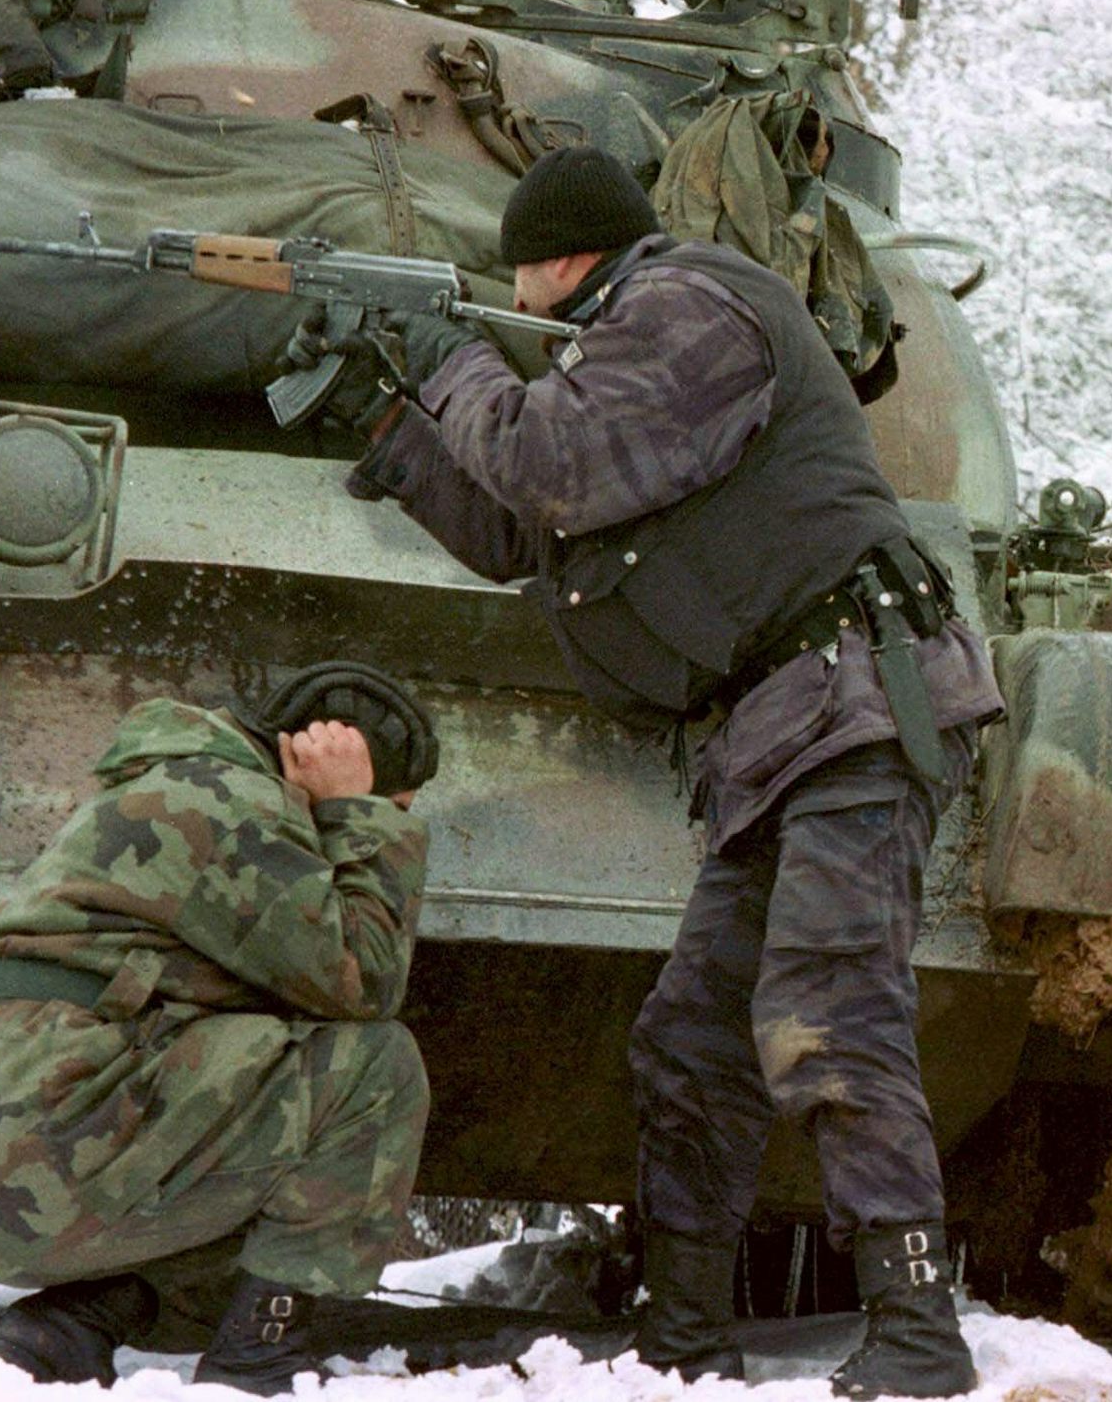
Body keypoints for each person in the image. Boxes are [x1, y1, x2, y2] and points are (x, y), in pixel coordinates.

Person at [306, 145, 1004, 1399]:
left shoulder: (690, 306)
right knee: (693, 1040)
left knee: (827, 1007)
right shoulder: (610, 354)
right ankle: (686, 1333)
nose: (511, 297)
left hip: (850, 697)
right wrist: (384, 414)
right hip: (779, 734)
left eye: (518, 272)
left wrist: (450, 355)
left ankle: (917, 1329)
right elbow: (525, 531)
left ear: (561, 253)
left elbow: (550, 466)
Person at [0, 662, 439, 1395]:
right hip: (47, 1134)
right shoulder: (232, 805)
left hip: (17, 1142)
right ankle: (256, 1358)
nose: (400, 817)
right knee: (373, 1070)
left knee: (282, 1142)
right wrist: (361, 813)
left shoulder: (189, 782)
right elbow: (365, 980)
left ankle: (87, 1314)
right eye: (400, 801)